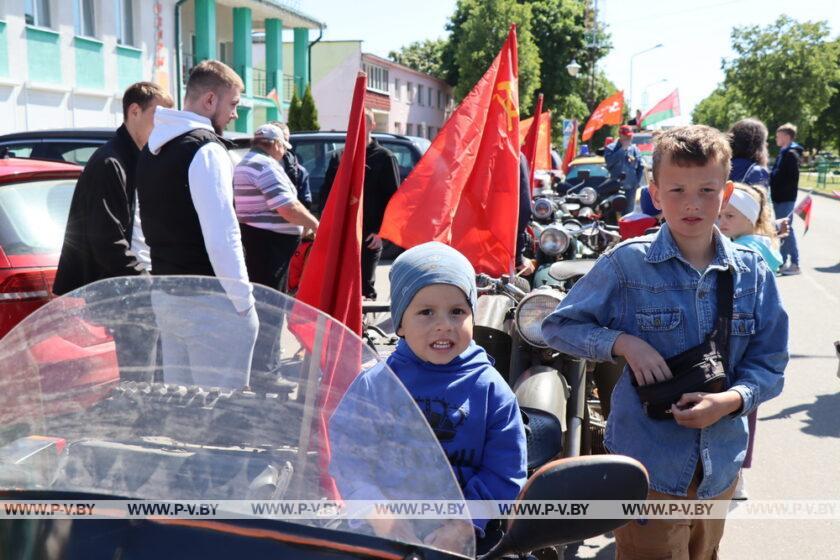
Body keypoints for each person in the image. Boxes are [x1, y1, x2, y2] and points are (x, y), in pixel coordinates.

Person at [542, 125, 788, 559]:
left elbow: (770, 365)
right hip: (647, 468)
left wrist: (730, 400)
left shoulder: (753, 272)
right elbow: (558, 326)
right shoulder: (626, 264)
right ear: (655, 193)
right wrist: (622, 343)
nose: (692, 203)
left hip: (719, 467)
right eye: (676, 190)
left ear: (726, 192)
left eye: (706, 190)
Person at [330, 242, 527, 553]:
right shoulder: (375, 385)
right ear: (400, 323)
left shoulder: (491, 389)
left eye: (457, 312)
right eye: (426, 312)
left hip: (465, 538)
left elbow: (504, 472)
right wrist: (381, 516)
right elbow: (350, 460)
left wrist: (464, 524)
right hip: (384, 535)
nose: (444, 325)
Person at [136, 60, 257, 389]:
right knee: (218, 415)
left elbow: (140, 229)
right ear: (209, 101)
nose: (235, 114)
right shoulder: (206, 150)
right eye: (233, 104)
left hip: (167, 295)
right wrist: (244, 302)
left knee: (186, 414)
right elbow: (223, 238)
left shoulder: (151, 148)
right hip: (210, 302)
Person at [54, 81, 174, 380]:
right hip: (127, 293)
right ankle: (134, 426)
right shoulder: (110, 162)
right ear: (134, 111)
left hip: (139, 288)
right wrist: (145, 283)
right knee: (140, 384)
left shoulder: (136, 157)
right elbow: (107, 239)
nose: (163, 127)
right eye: (158, 117)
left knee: (153, 380)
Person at [718, 183, 784, 500]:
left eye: (731, 215)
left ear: (750, 218)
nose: (722, 221)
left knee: (739, 408)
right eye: (721, 214)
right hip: (747, 337)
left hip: (742, 337)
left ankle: (736, 477)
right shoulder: (755, 243)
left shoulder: (748, 249)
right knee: (743, 408)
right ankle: (736, 475)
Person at [319, 109, 400, 300]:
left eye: (363, 122)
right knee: (340, 287)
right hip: (342, 233)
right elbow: (326, 195)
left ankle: (363, 325)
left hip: (369, 235)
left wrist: (382, 233)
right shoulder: (340, 156)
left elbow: (394, 200)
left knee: (364, 287)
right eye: (353, 122)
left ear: (372, 126)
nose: (357, 126)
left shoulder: (385, 157)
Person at [235, 123, 319, 290]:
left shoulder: (248, 162)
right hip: (270, 249)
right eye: (283, 147)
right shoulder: (265, 166)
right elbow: (289, 208)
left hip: (262, 244)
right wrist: (316, 225)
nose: (284, 152)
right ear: (275, 144)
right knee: (270, 301)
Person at [770, 123, 804, 275]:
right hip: (779, 198)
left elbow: (791, 178)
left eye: (778, 135)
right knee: (781, 229)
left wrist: (775, 179)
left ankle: (795, 264)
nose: (776, 138)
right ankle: (783, 262)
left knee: (786, 230)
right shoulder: (783, 152)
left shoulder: (791, 154)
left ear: (786, 136)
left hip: (785, 198)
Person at [272, 121, 313, 209]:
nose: (283, 144)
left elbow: (306, 202)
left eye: (286, 140)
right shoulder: (254, 167)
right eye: (280, 140)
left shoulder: (299, 171)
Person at [604, 125, 644, 212]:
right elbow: (609, 163)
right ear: (620, 135)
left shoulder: (634, 149)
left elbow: (640, 167)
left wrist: (636, 182)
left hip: (630, 188)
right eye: (626, 136)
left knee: (629, 213)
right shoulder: (610, 148)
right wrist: (622, 150)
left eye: (630, 136)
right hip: (614, 187)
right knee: (614, 213)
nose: (628, 138)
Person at [728, 118, 770, 189]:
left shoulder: (719, 165)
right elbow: (760, 199)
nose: (767, 144)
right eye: (765, 141)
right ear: (758, 144)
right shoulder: (758, 172)